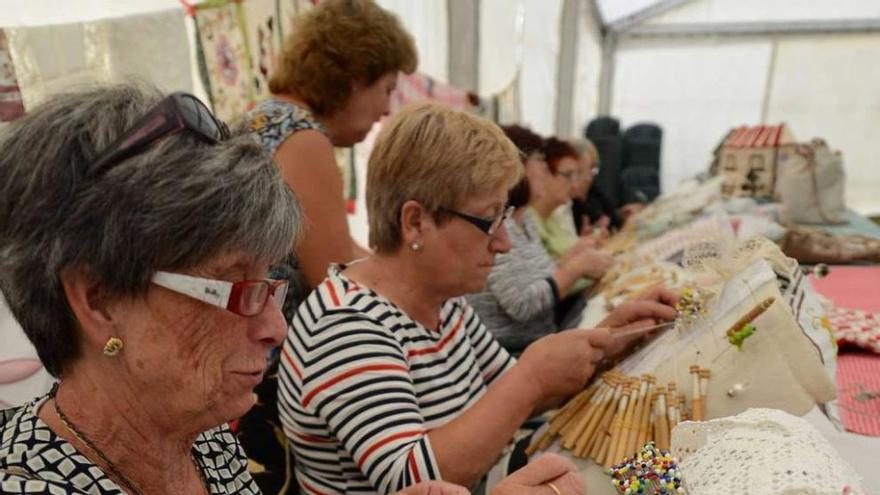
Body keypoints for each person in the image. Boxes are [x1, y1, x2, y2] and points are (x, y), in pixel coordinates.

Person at [0, 83, 572, 495]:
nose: (276, 328)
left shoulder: (196, 436)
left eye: (269, 283)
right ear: (98, 302)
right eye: (231, 285)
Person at [277, 103, 679, 493]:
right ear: (416, 222)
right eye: (489, 220)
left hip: (494, 477)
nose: (503, 243)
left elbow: (510, 398)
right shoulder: (347, 326)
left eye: (505, 218)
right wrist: (532, 375)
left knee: (662, 475)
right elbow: (416, 483)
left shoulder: (442, 300)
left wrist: (607, 342)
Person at [246, 0, 418, 318]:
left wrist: (408, 277)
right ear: (356, 77)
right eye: (386, 89)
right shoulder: (302, 137)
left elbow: (342, 249)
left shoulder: (269, 119)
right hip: (270, 352)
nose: (386, 110)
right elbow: (336, 281)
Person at [466, 127, 613, 354]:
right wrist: (575, 268)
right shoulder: (501, 227)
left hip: (540, 344)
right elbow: (521, 304)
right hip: (514, 355)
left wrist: (570, 261)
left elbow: (541, 276)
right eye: (540, 161)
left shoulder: (525, 221)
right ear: (515, 167)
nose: (546, 169)